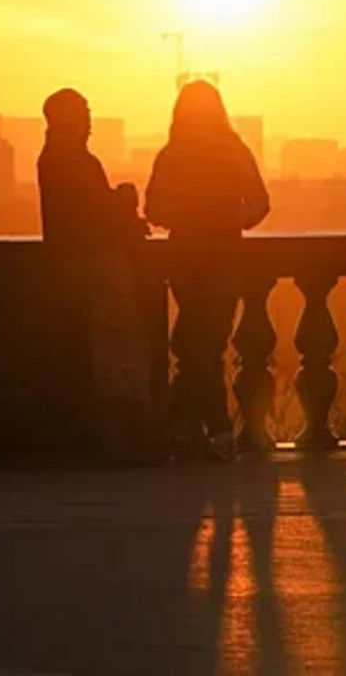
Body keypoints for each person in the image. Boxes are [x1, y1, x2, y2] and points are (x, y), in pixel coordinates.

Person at [145, 80, 270, 462]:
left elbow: (259, 204)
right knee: (205, 346)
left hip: (208, 258)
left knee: (199, 346)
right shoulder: (226, 150)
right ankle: (209, 429)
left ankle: (194, 426)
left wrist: (216, 217)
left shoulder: (177, 154)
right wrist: (219, 217)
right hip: (203, 259)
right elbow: (156, 209)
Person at [38, 89, 163, 465]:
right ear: (71, 120)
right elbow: (91, 215)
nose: (90, 121)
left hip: (77, 265)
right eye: (85, 113)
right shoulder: (72, 160)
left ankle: (118, 437)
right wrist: (123, 203)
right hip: (97, 267)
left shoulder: (55, 158)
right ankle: (124, 439)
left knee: (107, 351)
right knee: (117, 351)